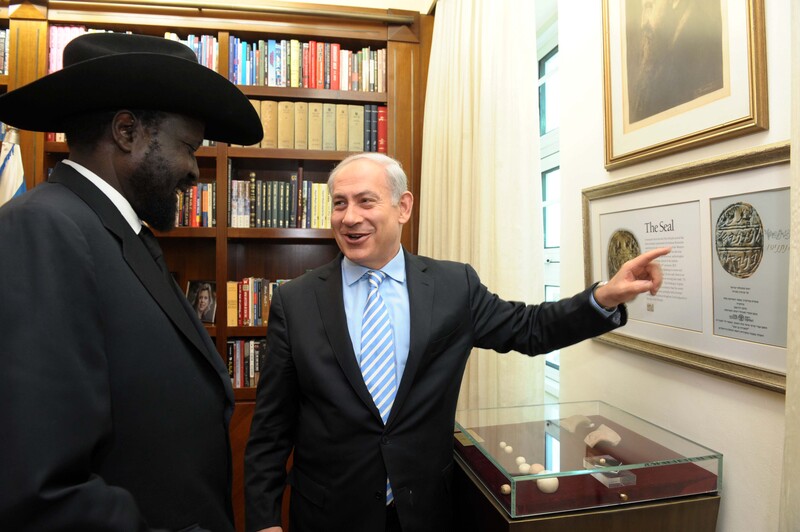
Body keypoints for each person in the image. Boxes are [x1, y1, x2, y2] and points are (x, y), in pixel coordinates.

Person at [244, 152, 670, 532]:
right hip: (328, 516)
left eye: (365, 201)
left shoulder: (453, 287)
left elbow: (530, 328)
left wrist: (604, 298)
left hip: (423, 511)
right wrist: (263, 521)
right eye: (340, 203)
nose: (349, 217)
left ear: (403, 206)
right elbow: (271, 428)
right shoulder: (295, 299)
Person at [0, 33, 262, 531]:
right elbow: (39, 488)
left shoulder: (115, 232)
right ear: (126, 131)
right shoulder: (43, 229)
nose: (193, 173)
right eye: (188, 147)